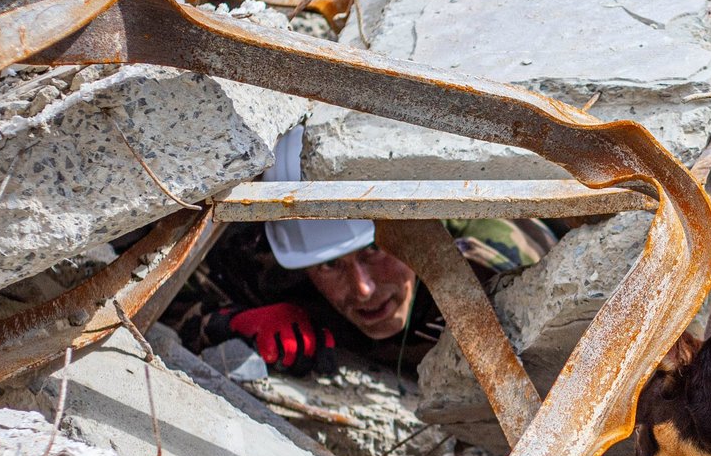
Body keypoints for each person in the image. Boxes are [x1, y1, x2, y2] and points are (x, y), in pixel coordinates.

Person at [203, 127, 555, 377]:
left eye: (375, 249)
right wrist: (232, 322)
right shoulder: (274, 259)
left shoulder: (495, 264)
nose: (363, 289)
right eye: (329, 265)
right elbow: (167, 304)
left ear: (417, 227)